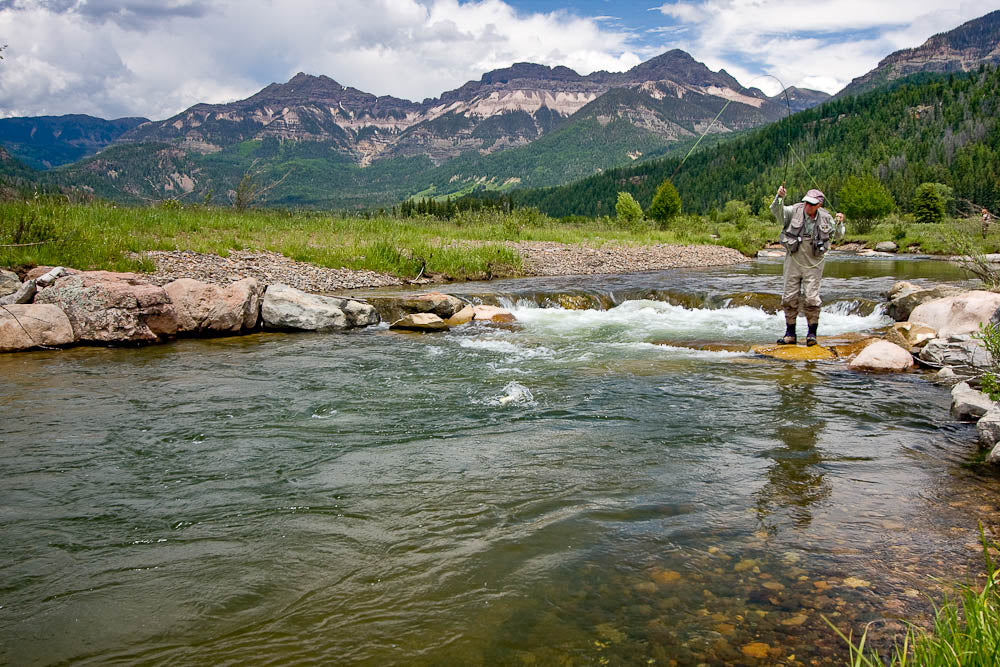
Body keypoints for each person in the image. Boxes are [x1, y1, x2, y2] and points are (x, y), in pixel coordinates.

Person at [771, 186, 841, 347]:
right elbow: (777, 211)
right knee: (789, 297)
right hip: (793, 259)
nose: (807, 206)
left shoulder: (826, 217)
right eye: (806, 202)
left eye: (811, 204)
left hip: (814, 262)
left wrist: (839, 223)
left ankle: (811, 334)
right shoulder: (793, 211)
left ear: (819, 205)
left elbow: (837, 235)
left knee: (811, 298)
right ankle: (790, 334)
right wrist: (779, 197)